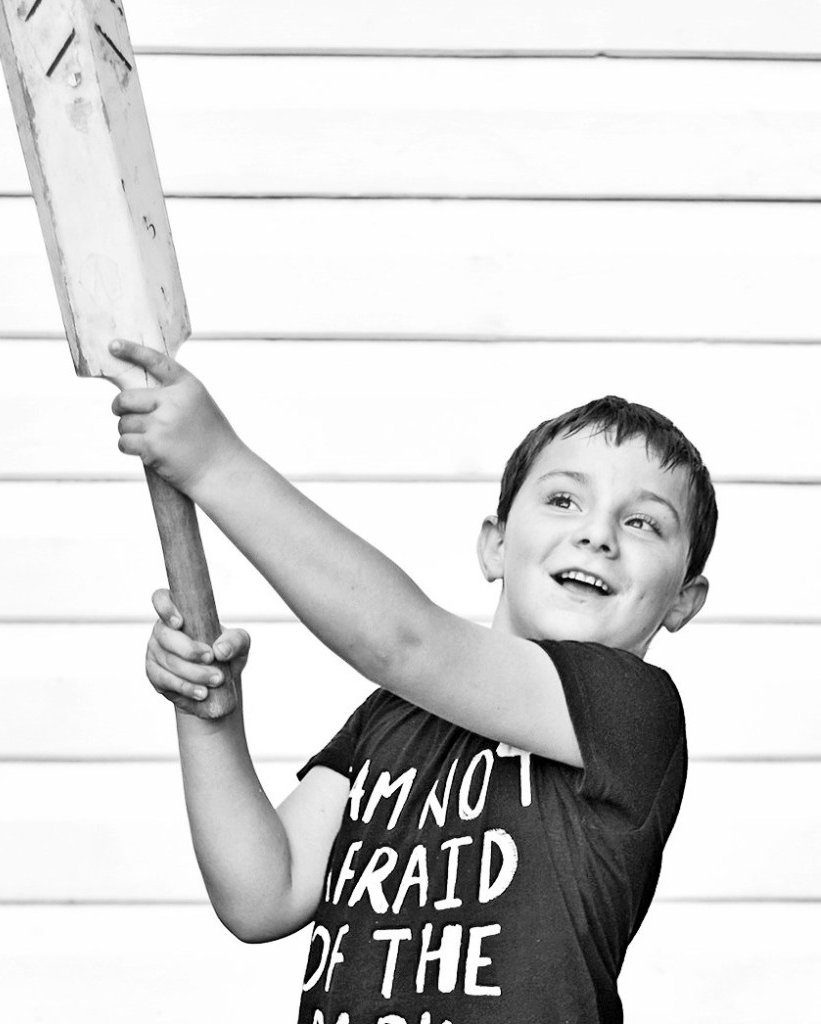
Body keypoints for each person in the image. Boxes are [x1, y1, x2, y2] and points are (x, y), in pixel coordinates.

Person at [109, 338, 717, 1024]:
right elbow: (263, 896)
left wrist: (215, 464)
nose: (597, 535)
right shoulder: (393, 713)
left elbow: (402, 640)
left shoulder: (632, 712)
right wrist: (208, 716)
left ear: (682, 600)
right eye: (563, 499)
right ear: (495, 544)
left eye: (643, 523)